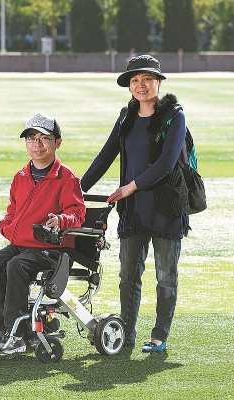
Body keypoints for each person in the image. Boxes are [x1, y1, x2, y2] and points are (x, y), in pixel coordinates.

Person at [81, 55, 189, 353]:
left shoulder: (175, 116)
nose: (141, 85)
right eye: (135, 80)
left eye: (147, 79)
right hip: (134, 211)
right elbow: (105, 157)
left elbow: (166, 163)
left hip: (167, 209)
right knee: (128, 275)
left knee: (165, 276)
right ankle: (126, 333)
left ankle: (159, 335)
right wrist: (75, 191)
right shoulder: (125, 117)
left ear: (159, 82)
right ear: (129, 86)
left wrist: (130, 186)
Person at [0, 112, 86, 355]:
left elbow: (77, 213)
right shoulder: (21, 176)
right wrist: (6, 227)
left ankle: (16, 334)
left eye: (44, 138)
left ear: (57, 142)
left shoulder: (67, 178)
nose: (37, 144)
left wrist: (61, 220)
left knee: (16, 265)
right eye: (31, 138)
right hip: (20, 245)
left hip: (51, 248)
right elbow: (12, 210)